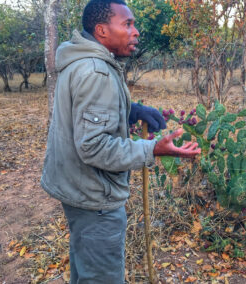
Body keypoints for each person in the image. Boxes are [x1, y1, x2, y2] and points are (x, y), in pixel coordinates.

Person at [40, 0, 201, 283]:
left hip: (76, 186)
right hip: (94, 196)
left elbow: (86, 110)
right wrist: (153, 149)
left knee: (86, 269)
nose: (136, 31)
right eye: (127, 24)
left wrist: (133, 110)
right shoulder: (96, 71)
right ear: (102, 30)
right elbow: (93, 146)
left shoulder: (81, 60)